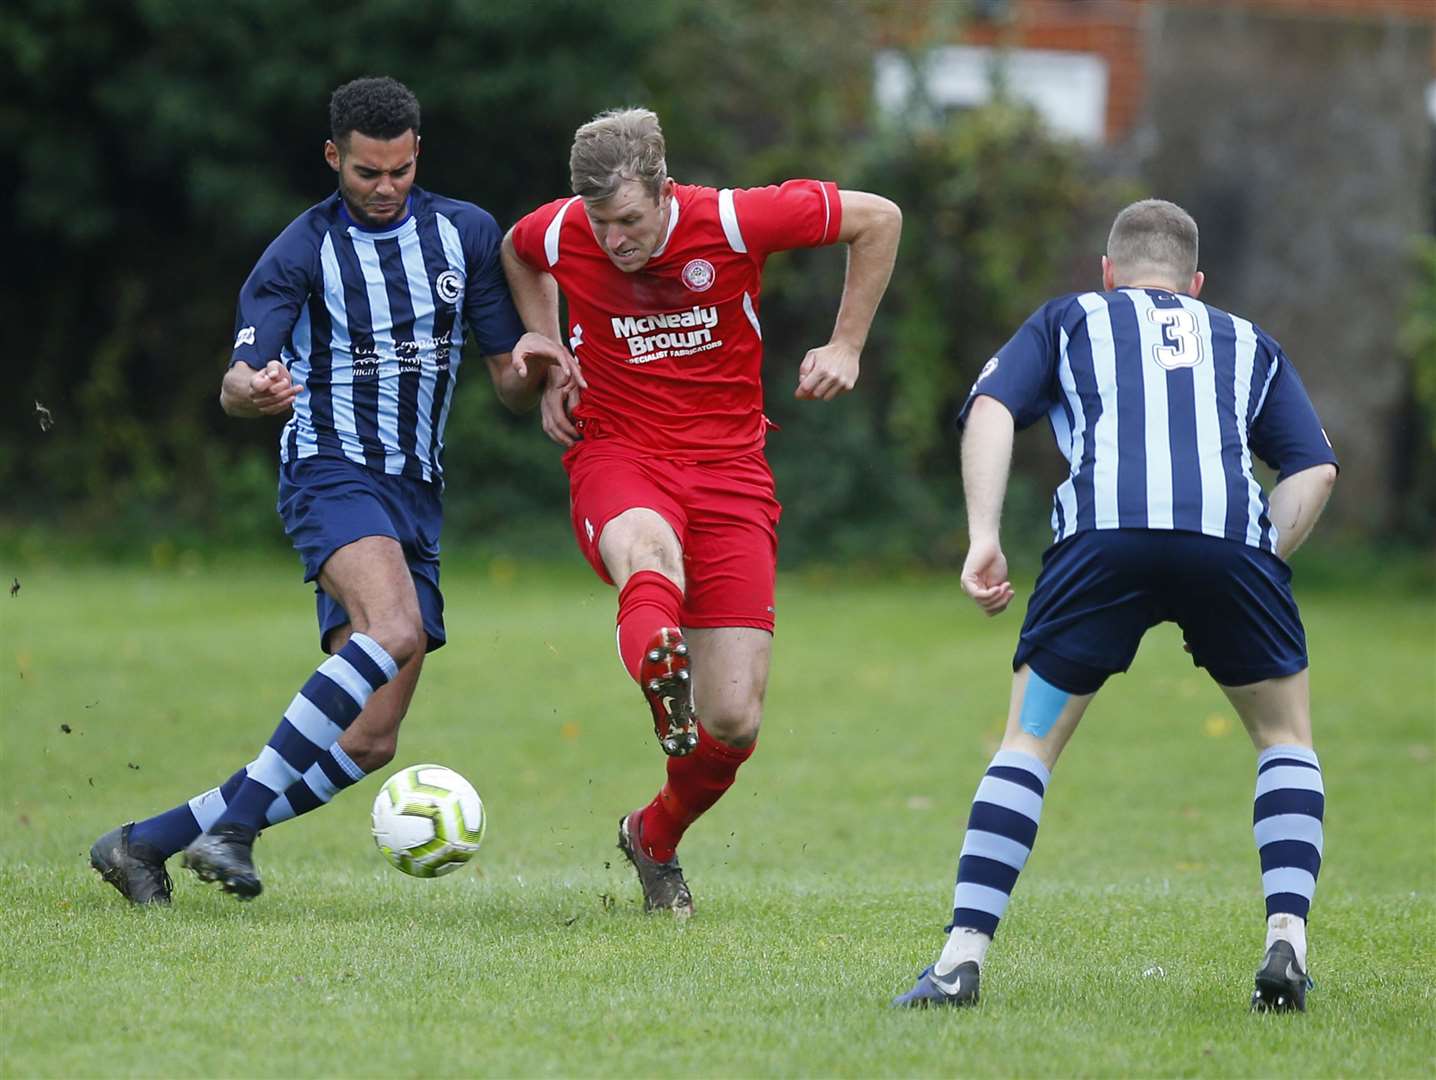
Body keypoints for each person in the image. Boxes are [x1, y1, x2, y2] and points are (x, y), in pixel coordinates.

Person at [89, 76, 561, 904]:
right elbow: (236, 380)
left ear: (418, 157)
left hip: (416, 492)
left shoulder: (466, 234)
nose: (385, 190)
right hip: (330, 469)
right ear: (333, 157)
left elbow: (508, 387)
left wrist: (528, 366)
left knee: (374, 739)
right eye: (366, 174)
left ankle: (144, 842)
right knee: (394, 627)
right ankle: (232, 831)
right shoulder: (300, 250)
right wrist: (252, 391)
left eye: (401, 172)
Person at [893, 199, 1338, 1012]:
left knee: (1028, 742)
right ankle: (1286, 944)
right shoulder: (1247, 341)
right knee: (1284, 737)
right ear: (1196, 284)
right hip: (1227, 545)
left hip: (1102, 543)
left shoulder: (1070, 319)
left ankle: (960, 959)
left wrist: (982, 535)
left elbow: (991, 408)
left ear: (1108, 271)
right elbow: (1315, 469)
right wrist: (1256, 553)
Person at [500, 107, 902, 916]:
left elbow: (879, 218)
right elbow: (519, 248)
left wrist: (848, 343)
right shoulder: (563, 230)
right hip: (618, 452)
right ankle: (660, 674)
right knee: (647, 552)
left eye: (631, 221)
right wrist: (550, 354)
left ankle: (653, 836)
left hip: (730, 474)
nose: (615, 240)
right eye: (602, 224)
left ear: (665, 190)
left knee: (734, 721)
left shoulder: (733, 217)